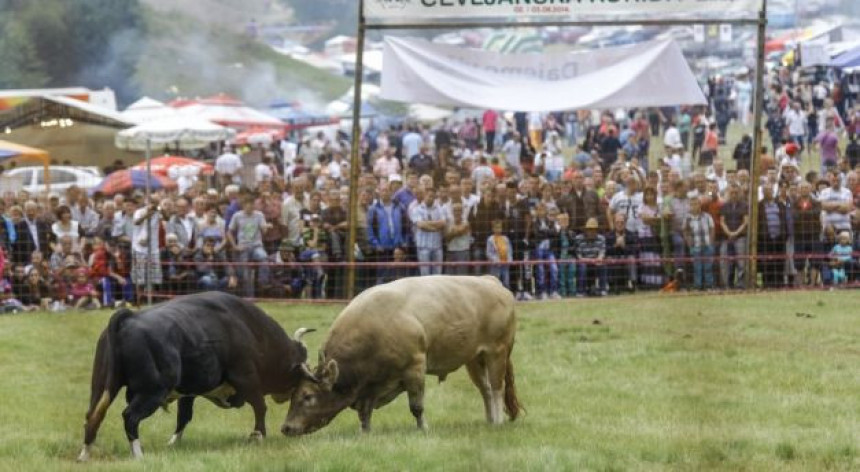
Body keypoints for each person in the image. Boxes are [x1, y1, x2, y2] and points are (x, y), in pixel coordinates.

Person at [227, 195, 270, 298]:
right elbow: (229, 232)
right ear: (243, 205)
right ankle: (250, 298)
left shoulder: (259, 215)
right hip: (243, 247)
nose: (250, 206)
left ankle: (263, 282)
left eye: (252, 204)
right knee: (246, 274)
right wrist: (235, 246)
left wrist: (266, 228)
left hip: (256, 246)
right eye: (247, 204)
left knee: (264, 257)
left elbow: (264, 229)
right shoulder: (237, 216)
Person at [719, 184, 749, 289]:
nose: (734, 195)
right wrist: (729, 233)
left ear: (739, 193)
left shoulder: (744, 205)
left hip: (740, 237)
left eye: (736, 193)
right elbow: (722, 222)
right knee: (726, 262)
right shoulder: (724, 206)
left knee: (741, 261)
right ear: (728, 193)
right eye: (732, 193)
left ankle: (741, 284)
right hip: (726, 237)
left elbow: (745, 222)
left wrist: (735, 233)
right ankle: (727, 284)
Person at [411, 187, 446, 276]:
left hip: (437, 246)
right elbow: (421, 225)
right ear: (424, 196)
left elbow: (442, 223)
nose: (431, 198)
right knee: (425, 275)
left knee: (437, 274)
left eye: (433, 197)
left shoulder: (439, 208)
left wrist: (427, 224)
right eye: (429, 196)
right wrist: (435, 227)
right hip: (423, 247)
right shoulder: (416, 209)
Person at [757, 186, 787, 288]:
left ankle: (779, 283)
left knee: (779, 261)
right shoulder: (759, 206)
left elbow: (784, 219)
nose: (767, 193)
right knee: (767, 261)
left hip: (779, 238)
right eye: (765, 191)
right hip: (765, 238)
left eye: (769, 190)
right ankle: (767, 283)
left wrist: (784, 233)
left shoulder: (779, 205)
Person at [683, 197, 716, 291]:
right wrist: (689, 242)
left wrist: (711, 242)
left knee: (708, 267)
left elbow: (712, 228)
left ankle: (709, 286)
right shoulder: (687, 218)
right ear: (689, 206)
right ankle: (698, 286)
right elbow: (685, 230)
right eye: (692, 204)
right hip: (695, 246)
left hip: (707, 245)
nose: (694, 206)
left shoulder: (707, 216)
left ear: (700, 205)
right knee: (697, 267)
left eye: (696, 204)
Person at [575, 218, 607, 297]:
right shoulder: (578, 239)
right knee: (582, 266)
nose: (592, 232)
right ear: (586, 230)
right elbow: (579, 256)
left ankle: (603, 289)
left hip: (596, 261)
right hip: (584, 261)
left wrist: (599, 259)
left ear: (597, 230)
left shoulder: (601, 238)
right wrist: (591, 260)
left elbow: (602, 252)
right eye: (590, 229)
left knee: (602, 264)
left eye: (594, 229)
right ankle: (580, 291)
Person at [444, 201, 471, 276]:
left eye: (459, 210)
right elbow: (447, 237)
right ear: (452, 211)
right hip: (450, 252)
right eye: (455, 210)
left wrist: (452, 231)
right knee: (450, 277)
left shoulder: (466, 222)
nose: (457, 212)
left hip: (462, 251)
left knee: (462, 277)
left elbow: (460, 231)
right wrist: (455, 231)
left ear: (462, 211)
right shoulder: (448, 222)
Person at [486, 219, 512, 289]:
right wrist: (495, 260)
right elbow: (488, 253)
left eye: (500, 227)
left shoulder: (505, 238)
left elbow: (509, 250)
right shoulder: (490, 239)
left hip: (505, 264)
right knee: (495, 282)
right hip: (495, 265)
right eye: (496, 227)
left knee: (506, 282)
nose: (498, 229)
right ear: (493, 228)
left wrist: (509, 260)